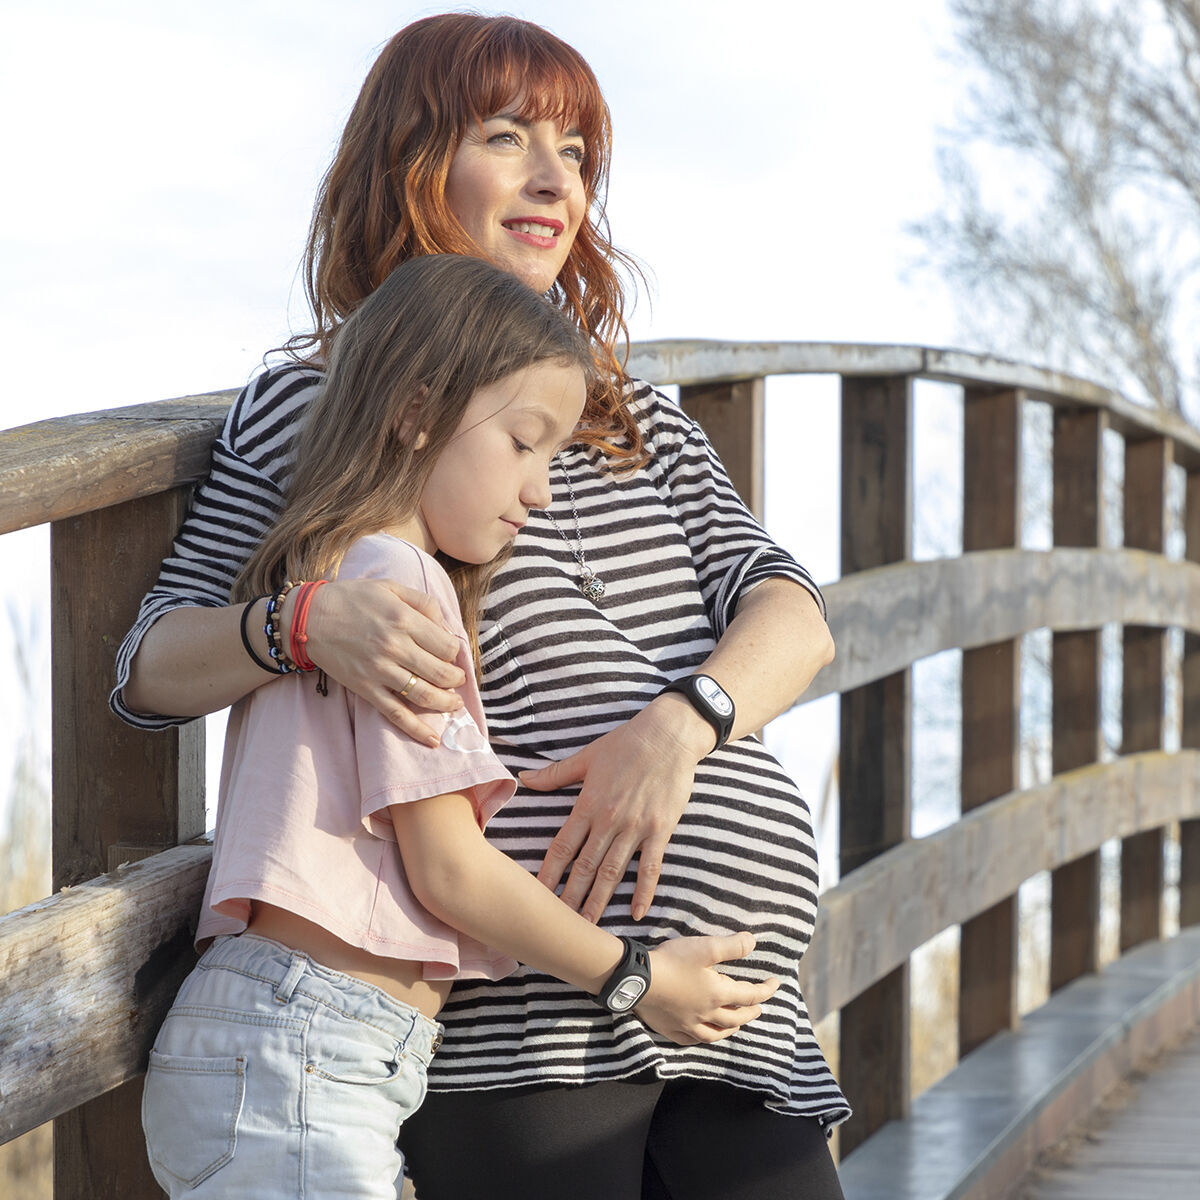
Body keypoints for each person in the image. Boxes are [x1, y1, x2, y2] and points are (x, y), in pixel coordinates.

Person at [115, 13, 849, 1199]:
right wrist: (296, 627)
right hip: (528, 1039)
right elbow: (151, 662)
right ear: (413, 164)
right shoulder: (320, 403)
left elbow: (795, 616)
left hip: (732, 1017)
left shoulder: (635, 416)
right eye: (508, 137)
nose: (555, 178)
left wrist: (680, 728)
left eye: (576, 150)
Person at [140, 253, 776, 1200]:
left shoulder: (335, 571)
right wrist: (636, 978)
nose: (544, 490)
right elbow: (447, 868)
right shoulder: (395, 590)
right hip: (306, 1049)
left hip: (300, 1049)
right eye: (525, 443)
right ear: (418, 410)